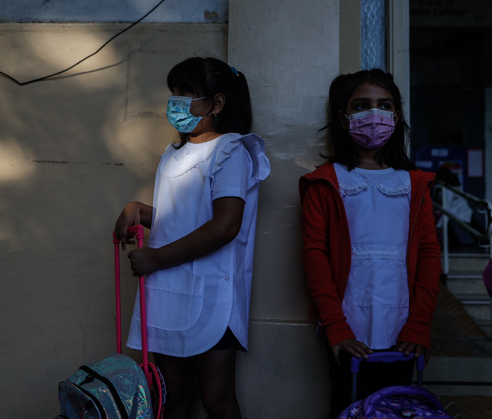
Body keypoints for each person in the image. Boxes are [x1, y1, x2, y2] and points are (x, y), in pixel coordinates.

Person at [114, 57, 270, 419]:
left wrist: (156, 258)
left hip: (213, 295)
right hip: (169, 291)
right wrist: (139, 209)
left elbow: (224, 226)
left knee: (217, 399)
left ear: (217, 104)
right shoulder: (174, 155)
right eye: (173, 93)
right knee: (171, 398)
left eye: (186, 94)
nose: (175, 102)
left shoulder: (231, 152)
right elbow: (183, 220)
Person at [298, 69, 441, 418]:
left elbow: (428, 254)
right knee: (347, 409)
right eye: (361, 105)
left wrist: (420, 324)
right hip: (347, 333)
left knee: (396, 408)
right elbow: (315, 256)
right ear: (344, 119)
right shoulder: (325, 183)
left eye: (384, 105)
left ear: (396, 116)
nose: (373, 115)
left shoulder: (414, 183)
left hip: (403, 332)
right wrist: (336, 327)